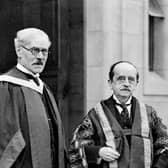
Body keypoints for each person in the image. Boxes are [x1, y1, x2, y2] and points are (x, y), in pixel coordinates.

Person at [69, 61, 168, 168]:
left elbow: (164, 144)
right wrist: (98, 152)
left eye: (131, 79)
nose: (126, 83)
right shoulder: (96, 115)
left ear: (136, 84)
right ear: (110, 83)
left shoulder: (149, 113)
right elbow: (76, 147)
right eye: (121, 79)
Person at [0, 28, 66, 168]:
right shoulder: (7, 87)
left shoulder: (44, 88)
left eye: (44, 51)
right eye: (34, 50)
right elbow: (6, 138)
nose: (41, 57)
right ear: (19, 51)